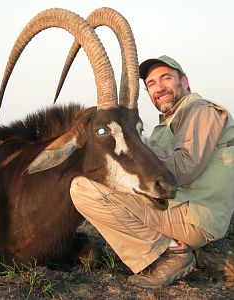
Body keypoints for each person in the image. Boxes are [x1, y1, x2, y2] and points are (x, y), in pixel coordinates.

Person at [69, 55, 234, 288]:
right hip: (183, 209)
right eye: (152, 84)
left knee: (83, 189)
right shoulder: (167, 123)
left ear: (184, 81)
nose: (159, 87)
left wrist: (135, 146)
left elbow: (185, 170)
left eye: (166, 78)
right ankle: (197, 252)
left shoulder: (200, 111)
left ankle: (169, 256)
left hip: (196, 217)